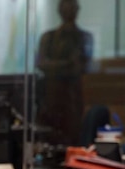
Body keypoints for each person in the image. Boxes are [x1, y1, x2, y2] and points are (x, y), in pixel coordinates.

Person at [36, 0, 93, 145]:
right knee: (50, 137)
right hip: (51, 97)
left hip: (73, 97)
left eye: (72, 6)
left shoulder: (84, 37)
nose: (70, 10)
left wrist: (56, 66)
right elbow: (41, 64)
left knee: (73, 137)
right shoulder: (48, 37)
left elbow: (81, 67)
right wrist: (67, 63)